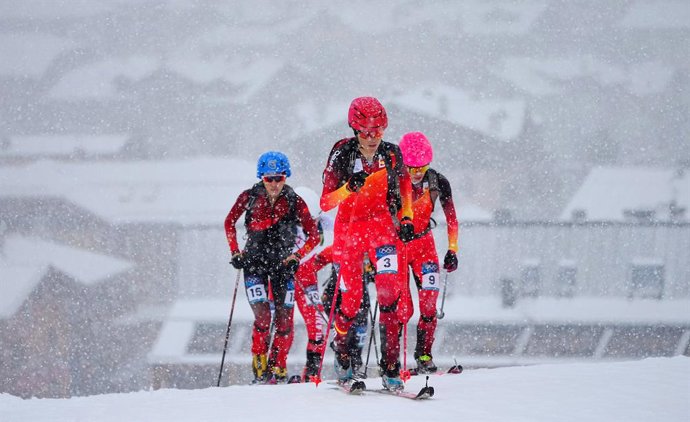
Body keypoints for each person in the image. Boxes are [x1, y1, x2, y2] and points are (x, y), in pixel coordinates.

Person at [320, 96, 414, 391]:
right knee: (351, 302)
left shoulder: (392, 154)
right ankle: (344, 355)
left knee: (390, 292)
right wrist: (348, 188)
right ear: (354, 130)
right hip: (350, 231)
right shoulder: (342, 154)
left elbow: (405, 188)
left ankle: (390, 366)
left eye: (379, 131)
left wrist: (407, 219)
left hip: (382, 228)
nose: (373, 138)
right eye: (366, 133)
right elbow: (325, 202)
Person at [225, 151, 320, 384]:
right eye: (269, 179)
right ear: (262, 178)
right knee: (263, 318)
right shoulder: (248, 197)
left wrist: (297, 256)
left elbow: (314, 235)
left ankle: (278, 369)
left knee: (285, 322)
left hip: (282, 267)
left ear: (286, 177)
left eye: (279, 178)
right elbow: (229, 222)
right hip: (254, 266)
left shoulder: (295, 201)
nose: (275, 184)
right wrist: (235, 251)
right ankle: (260, 371)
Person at [397, 132, 459, 373]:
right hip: (399, 246)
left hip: (424, 245)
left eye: (422, 167)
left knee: (429, 303)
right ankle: (392, 362)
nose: (417, 173)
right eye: (411, 168)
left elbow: (452, 218)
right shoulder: (392, 180)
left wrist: (452, 249)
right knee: (403, 308)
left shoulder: (437, 181)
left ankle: (424, 355)